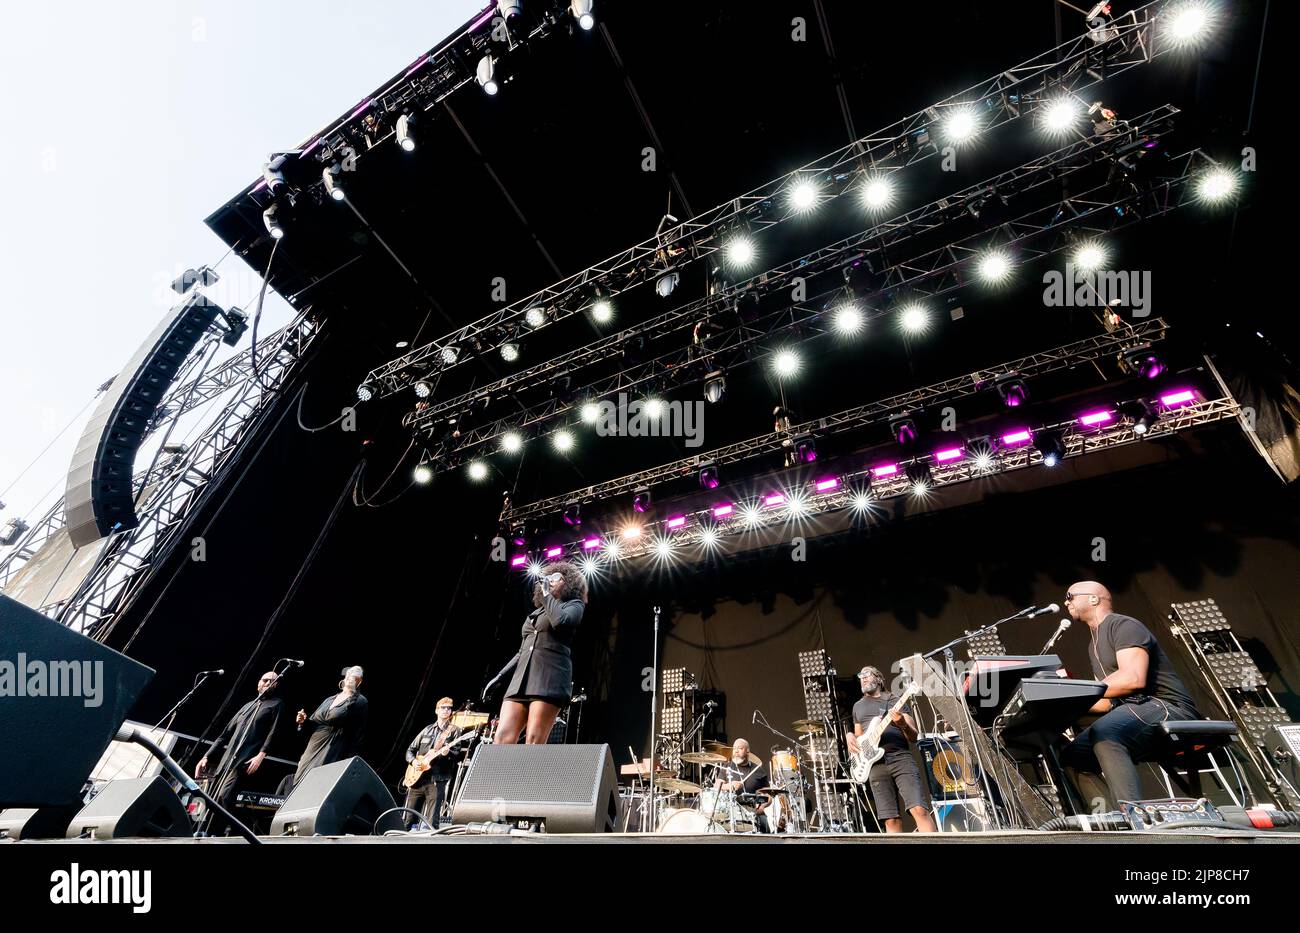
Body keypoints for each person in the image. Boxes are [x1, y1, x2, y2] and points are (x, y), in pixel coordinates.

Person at [1059, 581, 1200, 808]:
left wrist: (1074, 694)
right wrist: (1060, 704)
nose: (1066, 602)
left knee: (1105, 732)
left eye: (1070, 596)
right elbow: (1105, 703)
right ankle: (1110, 821)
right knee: (1071, 757)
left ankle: (1133, 816)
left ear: (1094, 599)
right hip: (1133, 711)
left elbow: (1132, 679)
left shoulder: (1123, 625)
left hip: (1168, 707)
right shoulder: (1092, 644)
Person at [496, 563, 585, 745]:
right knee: (502, 738)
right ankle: (500, 774)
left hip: (548, 678)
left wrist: (546, 595)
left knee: (534, 739)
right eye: (548, 578)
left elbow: (560, 621)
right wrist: (499, 676)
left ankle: (527, 774)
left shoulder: (574, 605)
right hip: (521, 681)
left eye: (556, 578)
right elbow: (522, 651)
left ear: (567, 583)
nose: (550, 582)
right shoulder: (537, 612)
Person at [847, 665, 936, 833]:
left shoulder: (895, 700)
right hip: (875, 765)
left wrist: (902, 724)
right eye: (861, 675)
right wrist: (850, 735)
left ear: (879, 679)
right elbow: (859, 739)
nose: (863, 678)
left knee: (919, 810)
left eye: (867, 674)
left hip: (900, 758)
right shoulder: (857, 707)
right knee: (890, 820)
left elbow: (913, 736)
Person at [196, 671, 283, 836]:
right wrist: (206, 756)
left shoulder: (276, 704)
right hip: (227, 760)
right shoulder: (247, 706)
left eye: (273, 681)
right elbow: (224, 735)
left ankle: (227, 833)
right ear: (258, 683)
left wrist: (261, 755)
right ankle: (205, 832)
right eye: (265, 680)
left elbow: (274, 733)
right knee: (213, 798)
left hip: (246, 759)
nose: (268, 683)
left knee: (225, 795)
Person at [292, 665, 368, 787]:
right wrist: (302, 721)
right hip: (313, 745)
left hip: (333, 747)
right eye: (348, 675)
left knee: (316, 784)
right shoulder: (329, 699)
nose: (349, 678)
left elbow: (358, 735)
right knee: (299, 781)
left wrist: (349, 762)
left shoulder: (360, 701)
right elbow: (313, 724)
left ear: (359, 681)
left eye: (354, 676)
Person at [403, 698, 463, 829]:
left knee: (431, 823)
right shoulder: (427, 730)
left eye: (449, 708)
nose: (446, 710)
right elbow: (410, 750)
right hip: (417, 779)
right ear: (437, 710)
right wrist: (413, 762)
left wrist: (448, 753)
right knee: (408, 820)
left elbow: (457, 754)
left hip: (436, 780)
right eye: (443, 707)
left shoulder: (454, 731)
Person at [711, 738, 770, 831]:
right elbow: (716, 786)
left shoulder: (758, 770)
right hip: (730, 811)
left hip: (753, 812)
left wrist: (762, 806)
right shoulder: (727, 767)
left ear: (747, 751)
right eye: (734, 749)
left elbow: (768, 795)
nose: (736, 751)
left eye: (740, 748)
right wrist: (729, 785)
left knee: (765, 824)